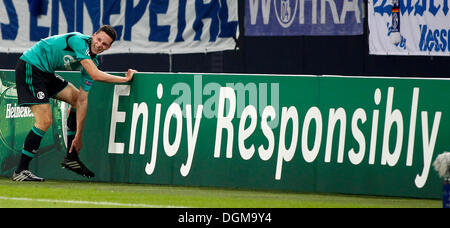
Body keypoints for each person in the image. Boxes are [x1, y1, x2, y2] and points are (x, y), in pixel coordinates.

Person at [12, 25, 137, 181]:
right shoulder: (78, 41)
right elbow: (95, 75)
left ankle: (71, 157)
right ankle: (21, 170)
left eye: (105, 44)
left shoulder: (92, 62)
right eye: (98, 40)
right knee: (44, 121)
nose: (99, 45)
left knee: (76, 98)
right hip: (31, 66)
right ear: (94, 35)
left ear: (109, 47)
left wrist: (79, 134)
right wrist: (125, 79)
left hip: (46, 73)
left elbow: (83, 100)